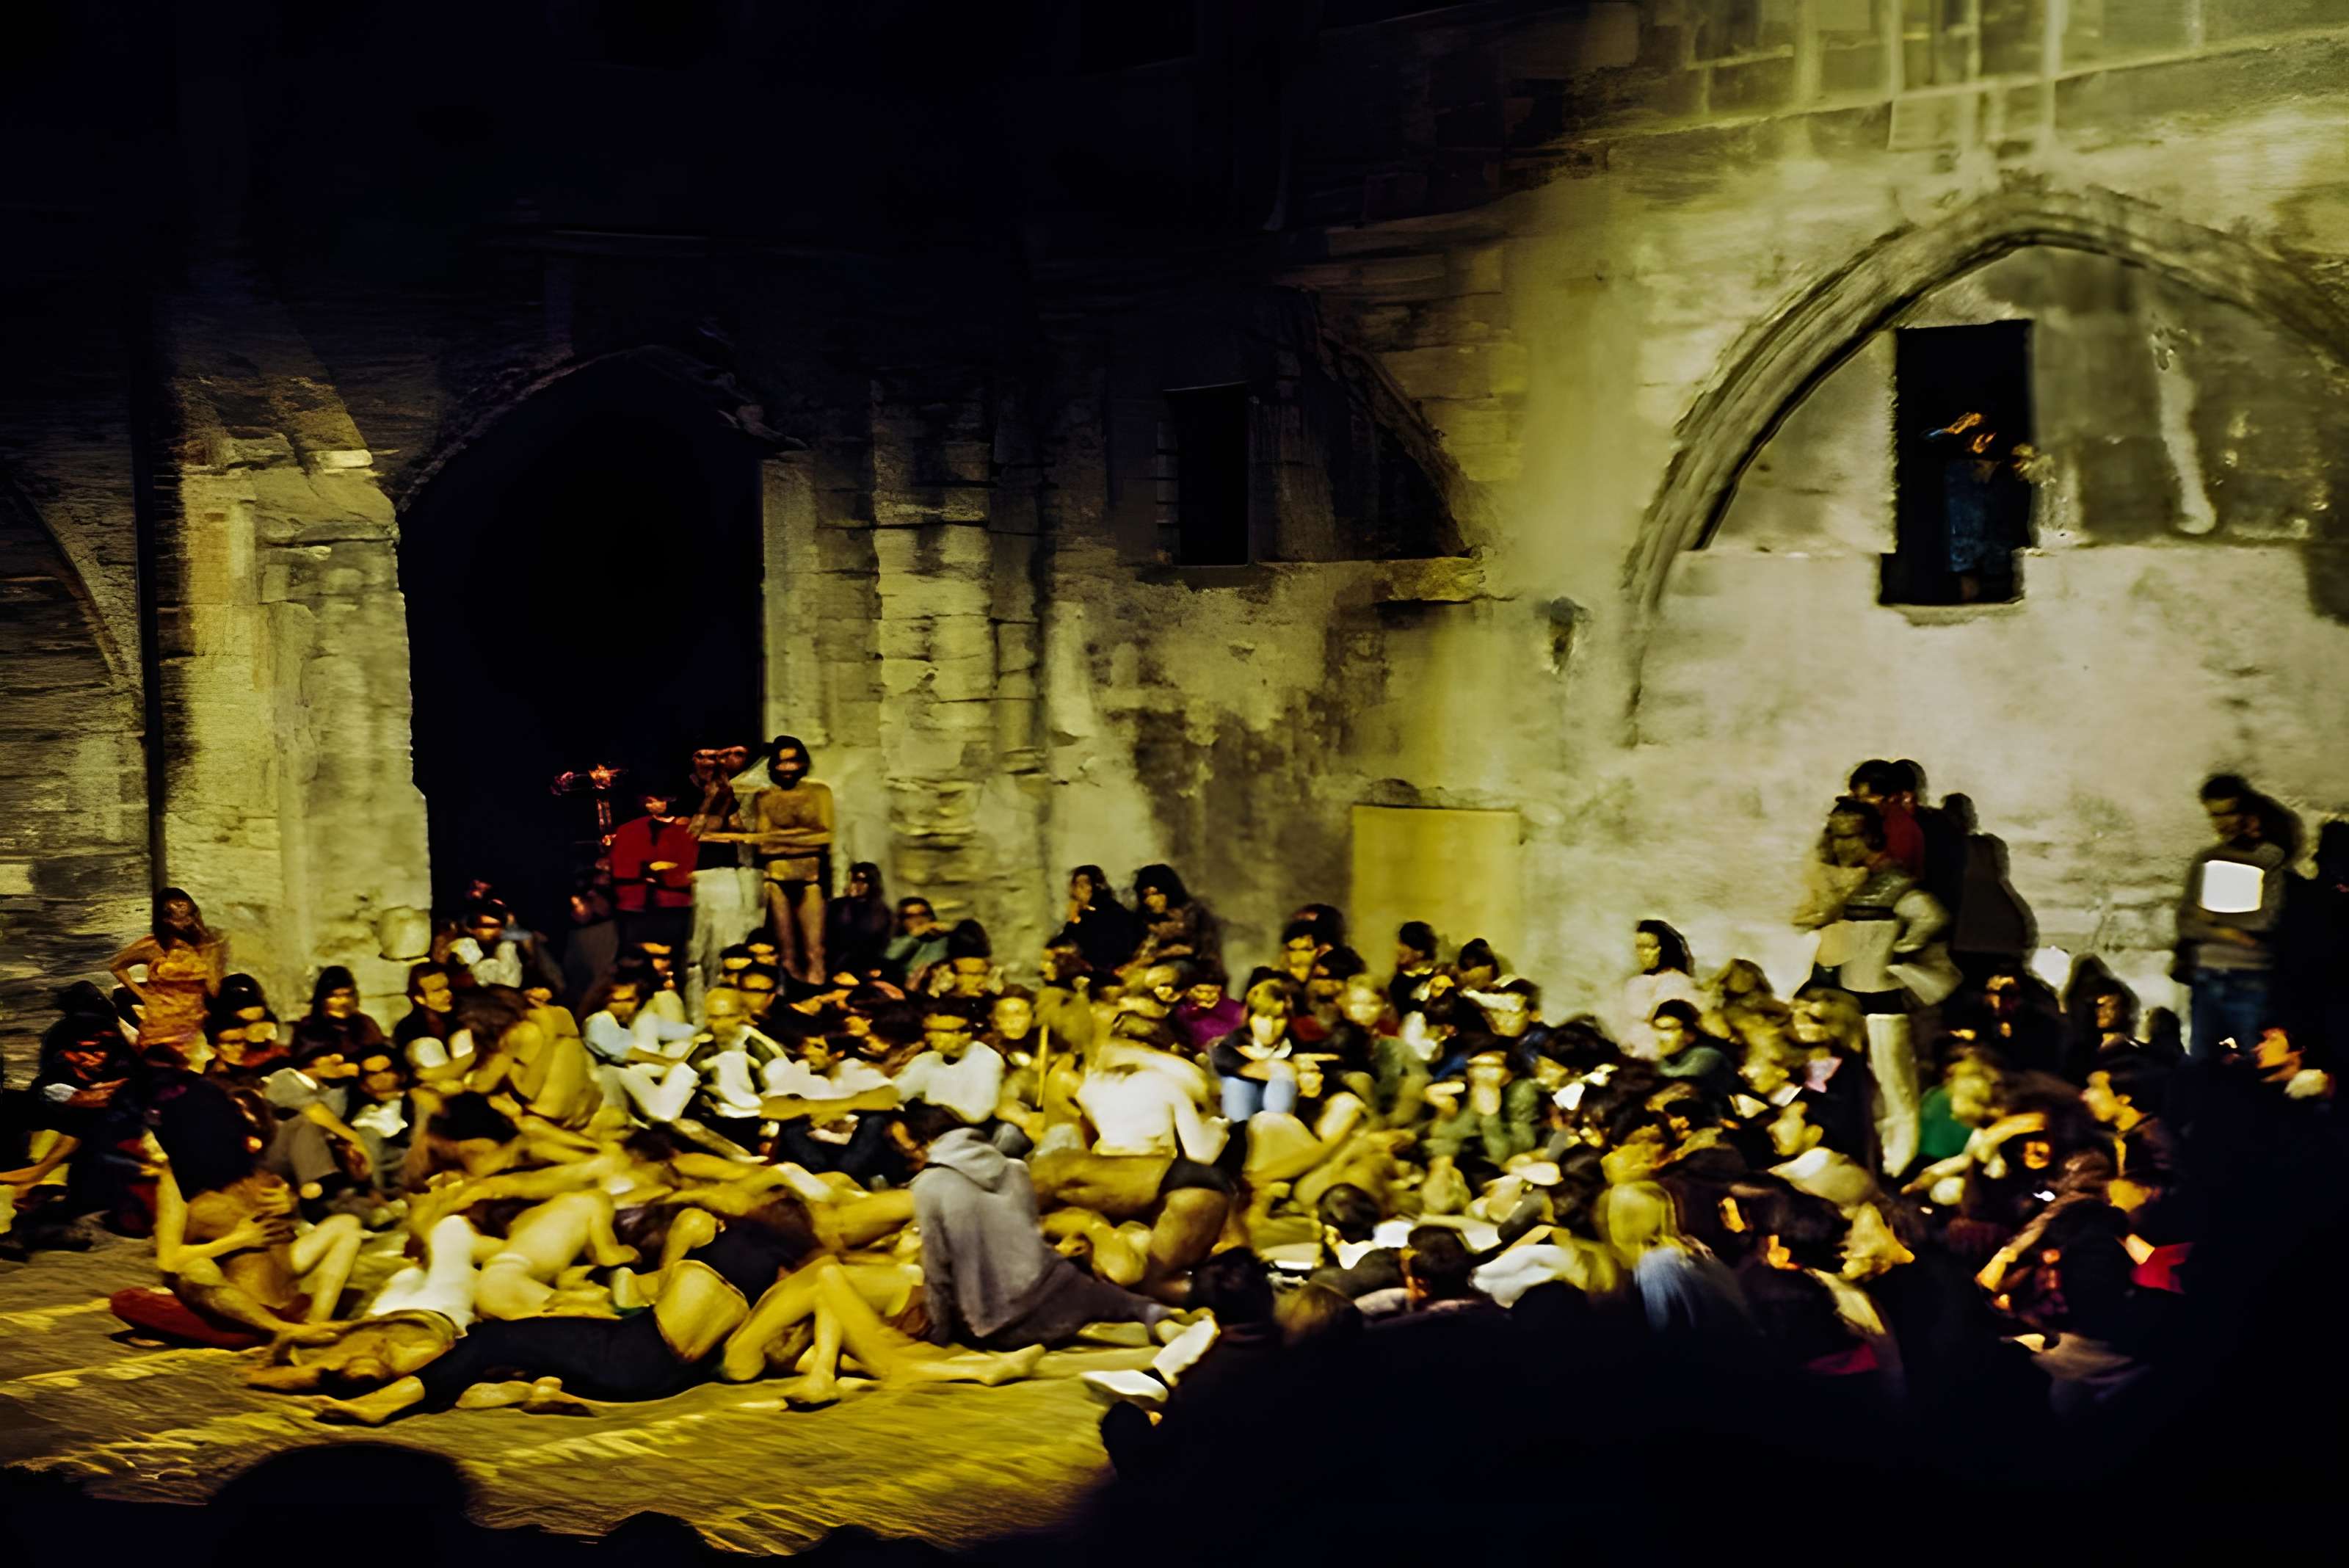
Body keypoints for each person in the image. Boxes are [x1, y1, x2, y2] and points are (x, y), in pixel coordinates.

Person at [909, 1105, 1167, 1349]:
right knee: (1131, 1306)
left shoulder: (930, 1186)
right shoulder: (1016, 1170)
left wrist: (940, 1338)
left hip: (1002, 1322)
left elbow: (938, 1272)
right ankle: (1162, 1322)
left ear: (926, 1144)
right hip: (1058, 1290)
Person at [2176, 773, 2288, 1060]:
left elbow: (2265, 920)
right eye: (2215, 815)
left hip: (2250, 978)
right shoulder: (2207, 859)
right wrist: (2231, 933)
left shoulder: (2268, 858)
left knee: (2257, 1062)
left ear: (2246, 813)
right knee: (2202, 1063)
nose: (2223, 823)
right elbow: (2186, 922)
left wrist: (2210, 918)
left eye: (2229, 813)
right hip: (2206, 976)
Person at [745, 736, 835, 984]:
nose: (787, 768)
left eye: (793, 761)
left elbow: (824, 836)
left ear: (803, 763)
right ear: (773, 766)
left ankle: (816, 996)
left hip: (810, 878)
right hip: (776, 878)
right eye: (782, 762)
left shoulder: (818, 792)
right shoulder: (765, 797)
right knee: (787, 955)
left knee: (815, 952)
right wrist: (804, 837)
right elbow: (764, 846)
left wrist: (780, 841)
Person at [684, 744, 766, 1006]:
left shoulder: (744, 789)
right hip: (704, 874)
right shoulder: (690, 791)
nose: (713, 763)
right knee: (701, 946)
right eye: (704, 756)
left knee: (737, 939)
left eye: (734, 754)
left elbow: (744, 829)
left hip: (738, 873)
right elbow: (693, 832)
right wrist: (712, 800)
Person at [110, 887, 226, 1063]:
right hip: (162, 1021)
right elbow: (116, 966)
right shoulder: (153, 946)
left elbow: (214, 989)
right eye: (181, 918)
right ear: (165, 920)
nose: (188, 922)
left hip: (195, 1018)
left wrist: (209, 950)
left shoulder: (205, 945)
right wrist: (143, 995)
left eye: (191, 915)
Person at [608, 782, 698, 955]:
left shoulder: (688, 830)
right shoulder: (629, 830)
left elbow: (688, 868)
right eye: (649, 800)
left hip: (675, 905)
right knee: (637, 956)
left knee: (675, 954)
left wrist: (665, 877)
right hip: (634, 906)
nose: (652, 804)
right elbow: (620, 865)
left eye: (659, 799)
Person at [1619, 920, 1702, 1061]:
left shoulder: (1677, 982)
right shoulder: (1634, 983)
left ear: (1664, 948)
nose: (1643, 953)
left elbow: (1668, 1028)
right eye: (1639, 947)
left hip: (1659, 1058)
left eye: (1649, 947)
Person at [1128, 864, 1217, 976]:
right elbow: (1141, 952)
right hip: (1152, 969)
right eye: (1145, 896)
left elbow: (1204, 952)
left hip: (1191, 970)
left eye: (1155, 893)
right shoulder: (1142, 918)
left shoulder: (1193, 912)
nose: (1150, 900)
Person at [1054, 864, 1141, 976]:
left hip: (1108, 973)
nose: (1075, 893)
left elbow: (1081, 941)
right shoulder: (1088, 913)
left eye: (1081, 886)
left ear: (1094, 887)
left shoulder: (1107, 912)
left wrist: (1073, 920)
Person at [291, 967, 388, 1066]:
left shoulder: (366, 1023)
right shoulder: (309, 1028)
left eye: (348, 995)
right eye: (334, 996)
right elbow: (303, 1063)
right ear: (322, 1000)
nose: (343, 1002)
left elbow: (381, 1052)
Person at [1848, 760, 1927, 878]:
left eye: (1868, 797)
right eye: (1857, 798)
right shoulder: (1878, 822)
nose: (1860, 803)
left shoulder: (1902, 830)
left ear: (1892, 797)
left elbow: (1895, 876)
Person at [824, 860, 896, 982]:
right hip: (837, 963)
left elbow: (882, 945)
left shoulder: (882, 912)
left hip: (869, 965)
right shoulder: (836, 906)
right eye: (852, 880)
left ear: (872, 884)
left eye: (860, 881)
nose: (854, 886)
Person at [882, 897, 950, 988]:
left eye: (923, 914)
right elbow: (890, 956)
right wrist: (914, 935)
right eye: (910, 916)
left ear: (931, 916)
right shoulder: (897, 941)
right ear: (901, 921)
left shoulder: (942, 940)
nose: (918, 920)